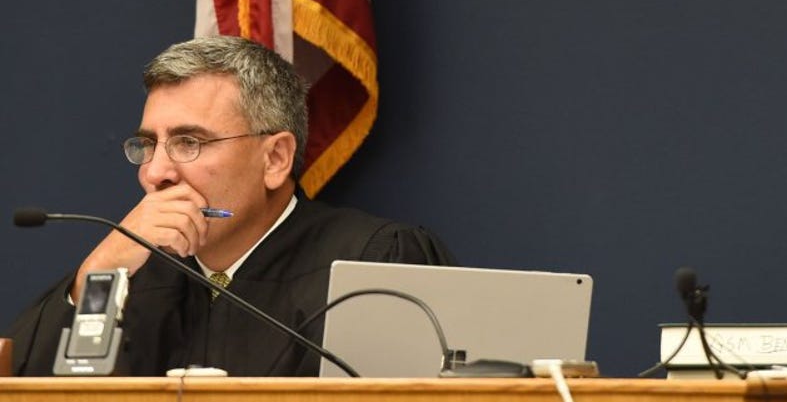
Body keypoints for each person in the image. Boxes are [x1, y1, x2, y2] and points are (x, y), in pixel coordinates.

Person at [6, 36, 454, 376]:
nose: (155, 173)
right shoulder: (134, 275)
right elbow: (23, 385)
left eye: (189, 142)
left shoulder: (372, 261)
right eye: (148, 145)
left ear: (275, 159)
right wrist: (99, 273)